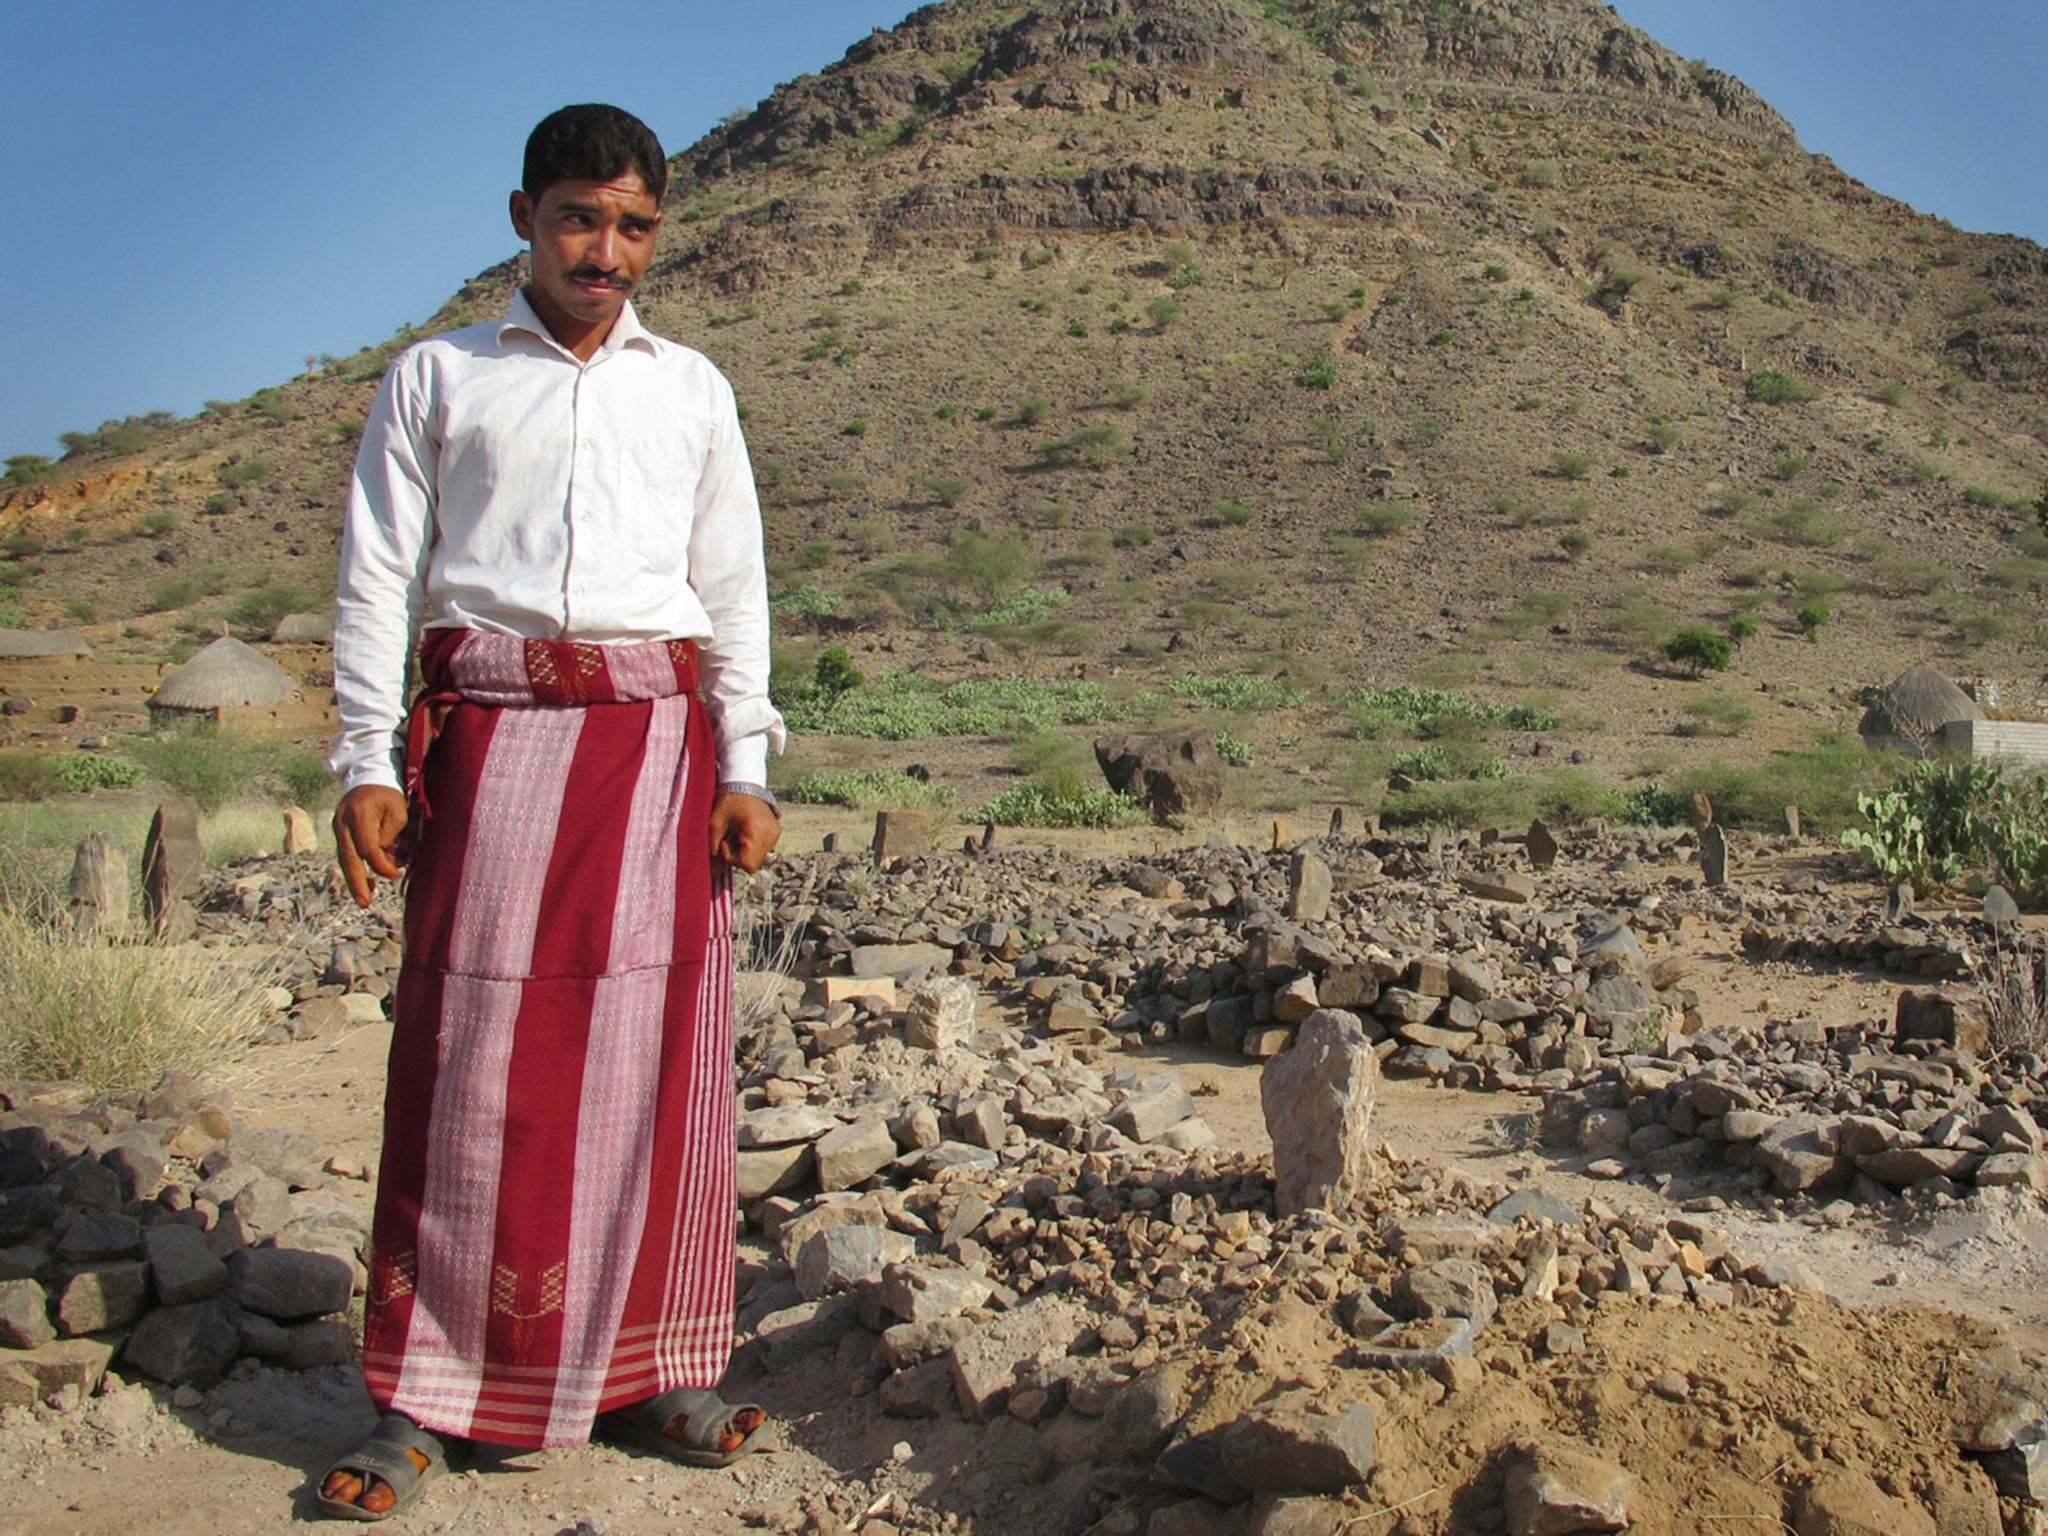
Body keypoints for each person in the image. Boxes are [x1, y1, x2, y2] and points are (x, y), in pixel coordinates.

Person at [317, 103, 784, 1521]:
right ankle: (423, 1397)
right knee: (471, 1067)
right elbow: (376, 580)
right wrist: (364, 763)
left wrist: (747, 763)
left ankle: (653, 1375)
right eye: (581, 217)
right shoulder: (437, 378)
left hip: (656, 757)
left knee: (657, 1060)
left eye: (635, 223)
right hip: (497, 749)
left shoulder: (693, 389)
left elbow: (733, 588)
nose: (607, 248)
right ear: (522, 215)